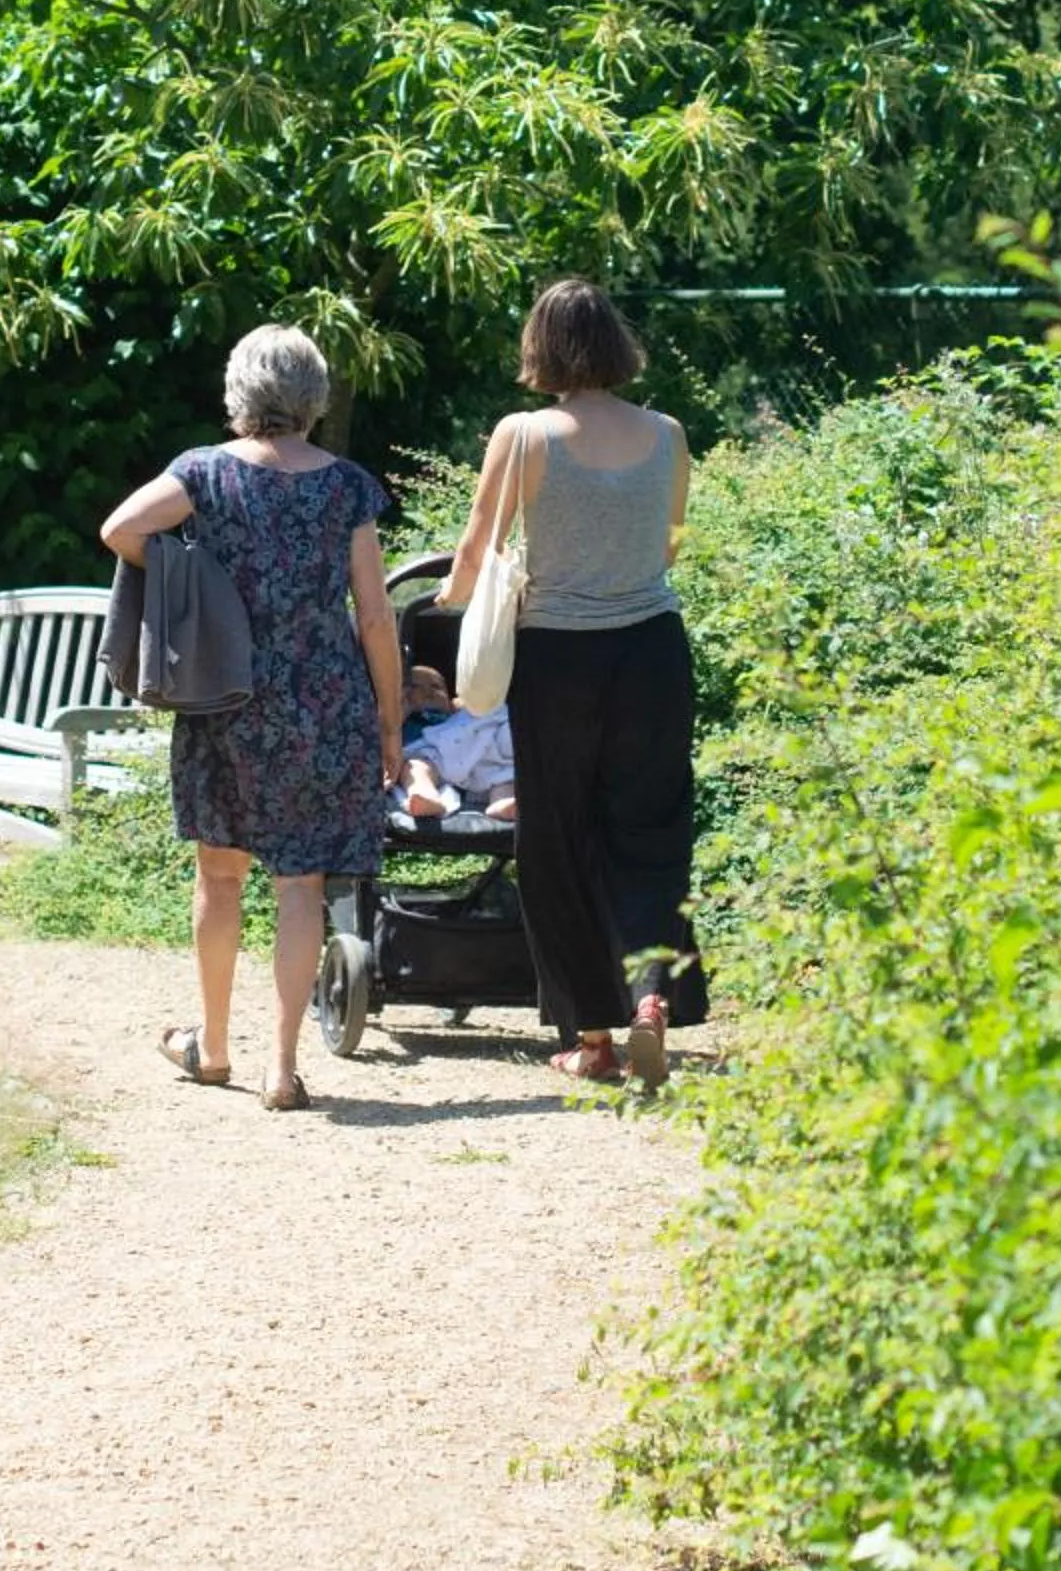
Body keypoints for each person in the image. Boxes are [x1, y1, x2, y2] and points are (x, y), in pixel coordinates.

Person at [101, 323, 403, 1113]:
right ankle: (281, 1066)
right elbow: (375, 616)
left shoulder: (200, 474)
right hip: (325, 703)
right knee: (301, 884)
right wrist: (391, 722)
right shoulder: (347, 488)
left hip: (222, 695)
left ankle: (213, 1047)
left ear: (241, 390)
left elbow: (120, 530)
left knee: (220, 874)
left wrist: (190, 575)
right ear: (313, 394)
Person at [441, 278, 706, 1088]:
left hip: (558, 658)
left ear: (541, 346)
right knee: (651, 831)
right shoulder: (667, 433)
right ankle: (651, 996)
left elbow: (474, 555)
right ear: (617, 343)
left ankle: (592, 1039)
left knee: (558, 842)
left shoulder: (523, 435)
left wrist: (454, 614)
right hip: (653, 652)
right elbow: (667, 551)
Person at [394, 662, 516, 822]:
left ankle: (502, 800)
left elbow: (475, 724)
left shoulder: (454, 716)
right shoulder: (407, 717)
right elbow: (390, 730)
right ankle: (424, 794)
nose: (428, 692)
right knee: (415, 768)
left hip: (472, 757)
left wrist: (467, 707)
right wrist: (400, 710)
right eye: (416, 687)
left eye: (436, 687)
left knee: (502, 773)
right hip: (430, 757)